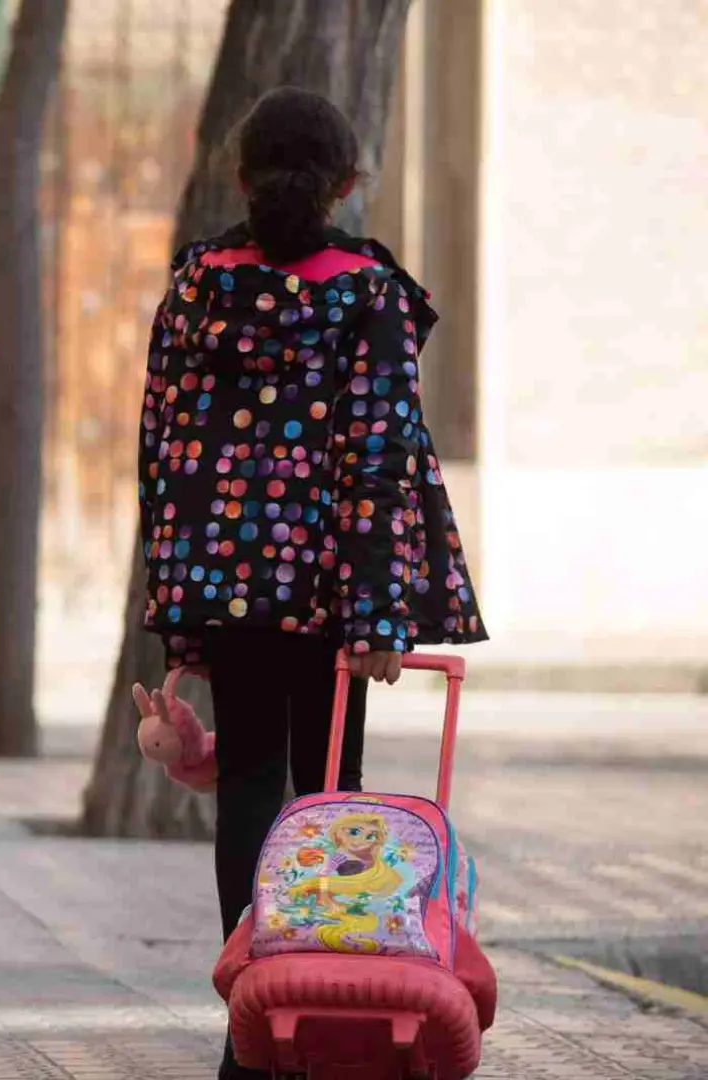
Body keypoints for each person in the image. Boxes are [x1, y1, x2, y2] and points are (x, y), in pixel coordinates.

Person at [134, 86, 486, 1080]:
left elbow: (161, 441)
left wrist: (179, 595)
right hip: (332, 587)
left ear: (241, 176)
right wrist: (379, 612)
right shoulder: (363, 289)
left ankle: (254, 1020)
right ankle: (328, 1011)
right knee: (331, 793)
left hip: (226, 579)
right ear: (346, 182)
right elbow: (380, 450)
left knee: (249, 779)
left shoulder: (198, 282)